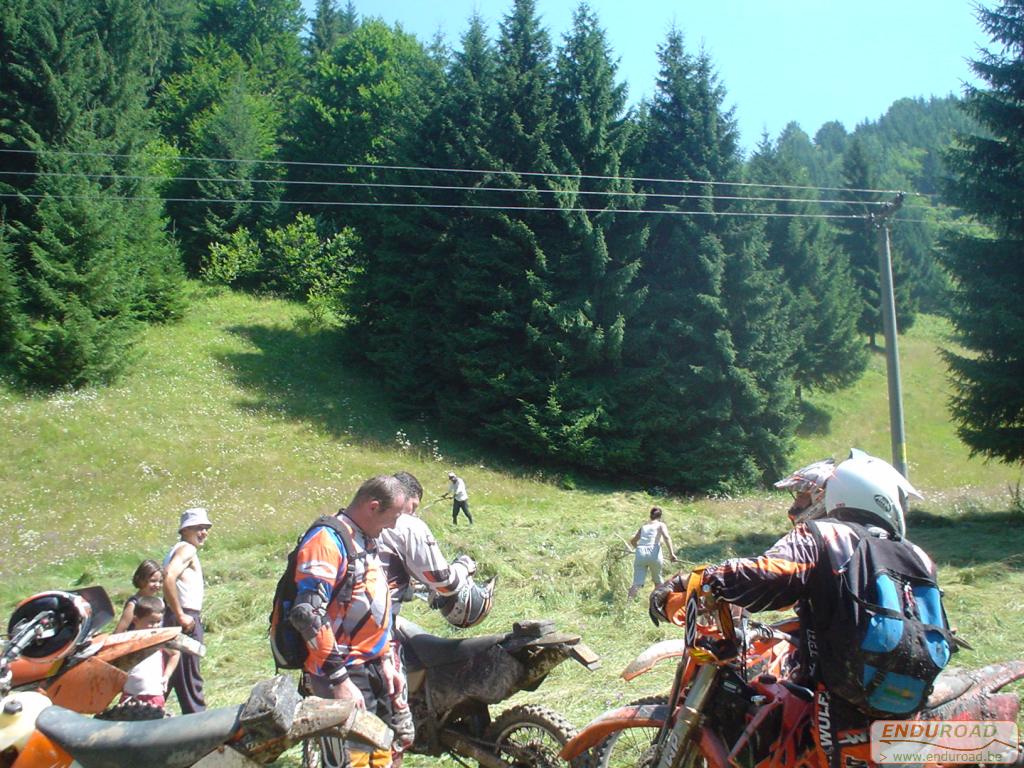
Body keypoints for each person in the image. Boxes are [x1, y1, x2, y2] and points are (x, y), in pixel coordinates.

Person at [649, 450, 941, 768]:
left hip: (840, 707)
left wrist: (693, 580)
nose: (794, 509)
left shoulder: (828, 535)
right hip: (905, 704)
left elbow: (766, 573)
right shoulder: (918, 555)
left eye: (803, 499)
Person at [289, 475, 408, 768]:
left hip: (373, 668)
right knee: (352, 760)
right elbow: (308, 615)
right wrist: (339, 680)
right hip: (342, 672)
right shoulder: (326, 541)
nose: (393, 526)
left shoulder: (365, 537)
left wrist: (386, 660)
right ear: (372, 506)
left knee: (382, 753)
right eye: (391, 518)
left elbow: (373, 604)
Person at [378, 471, 496, 765]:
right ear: (404, 498)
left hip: (339, 627)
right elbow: (444, 581)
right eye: (414, 505)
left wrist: (409, 588)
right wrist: (464, 567)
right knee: (393, 722)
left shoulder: (360, 522)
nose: (413, 512)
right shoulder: (407, 525)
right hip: (374, 633)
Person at [163, 507, 212, 714]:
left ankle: (146, 713)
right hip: (185, 618)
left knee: (171, 673)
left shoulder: (177, 548)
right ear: (185, 530)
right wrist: (181, 615)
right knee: (190, 676)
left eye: (206, 528)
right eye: (198, 528)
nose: (204, 533)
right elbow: (168, 576)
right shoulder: (186, 549)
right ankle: (199, 726)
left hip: (177, 616)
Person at [119, 595, 179, 710]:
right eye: (151, 622)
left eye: (158, 622)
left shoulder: (159, 638)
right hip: (130, 695)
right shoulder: (127, 639)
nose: (155, 626)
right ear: (136, 620)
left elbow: (175, 653)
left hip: (154, 694)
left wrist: (166, 675)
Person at [627, 507, 678, 601]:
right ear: (660, 516)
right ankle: (657, 602)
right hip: (654, 552)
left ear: (650, 516)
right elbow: (666, 537)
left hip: (640, 552)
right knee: (658, 581)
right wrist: (672, 554)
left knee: (637, 583)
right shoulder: (660, 525)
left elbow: (633, 541)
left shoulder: (644, 527)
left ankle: (627, 604)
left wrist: (638, 549)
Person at [114, 559, 164, 633]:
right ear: (141, 580)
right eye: (153, 581)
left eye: (160, 581)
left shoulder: (159, 601)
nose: (157, 585)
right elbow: (119, 631)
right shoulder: (133, 604)